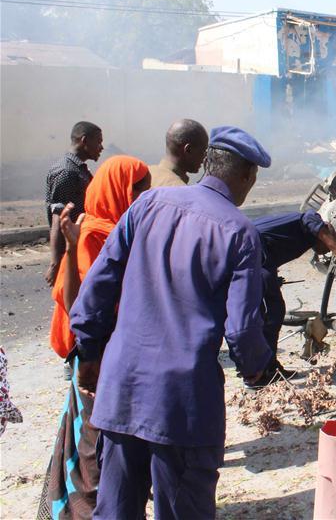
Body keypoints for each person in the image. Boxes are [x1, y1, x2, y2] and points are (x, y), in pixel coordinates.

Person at [69, 126, 273, 519]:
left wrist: (89, 351)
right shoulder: (239, 232)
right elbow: (243, 329)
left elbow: (98, 284)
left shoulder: (148, 205)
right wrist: (257, 369)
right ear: (247, 176)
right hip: (183, 403)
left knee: (115, 510)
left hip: (122, 388)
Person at [41, 156, 151, 520]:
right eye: (138, 191)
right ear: (118, 190)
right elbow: (80, 309)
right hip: (93, 356)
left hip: (108, 353)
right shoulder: (94, 236)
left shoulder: (117, 230)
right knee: (96, 445)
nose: (143, 199)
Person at [248, 212, 336, 388]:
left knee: (269, 312)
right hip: (254, 251)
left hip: (258, 255)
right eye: (328, 241)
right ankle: (262, 370)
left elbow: (273, 251)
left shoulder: (301, 236)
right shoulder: (309, 221)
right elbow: (309, 218)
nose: (325, 251)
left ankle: (266, 367)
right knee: (272, 313)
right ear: (324, 232)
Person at [44, 122, 103, 286]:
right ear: (84, 141)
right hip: (70, 251)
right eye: (98, 141)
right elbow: (58, 217)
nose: (101, 147)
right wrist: (55, 264)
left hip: (78, 247)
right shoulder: (67, 171)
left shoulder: (78, 169)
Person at [148, 119, 209, 188]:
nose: (205, 157)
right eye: (203, 151)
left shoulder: (142, 175)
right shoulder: (179, 190)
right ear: (188, 150)